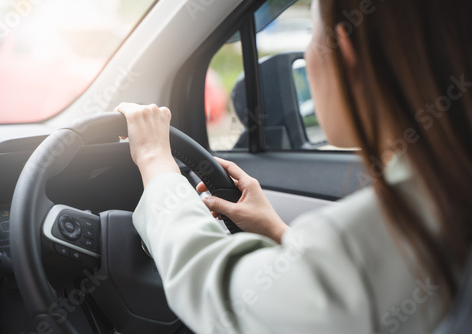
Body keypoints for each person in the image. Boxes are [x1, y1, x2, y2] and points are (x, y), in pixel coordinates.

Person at [115, 0, 472, 332]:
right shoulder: (445, 193)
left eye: (311, 36)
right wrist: (278, 231)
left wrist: (155, 163)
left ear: (342, 50)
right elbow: (344, 294)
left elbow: (223, 294)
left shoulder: (404, 220)